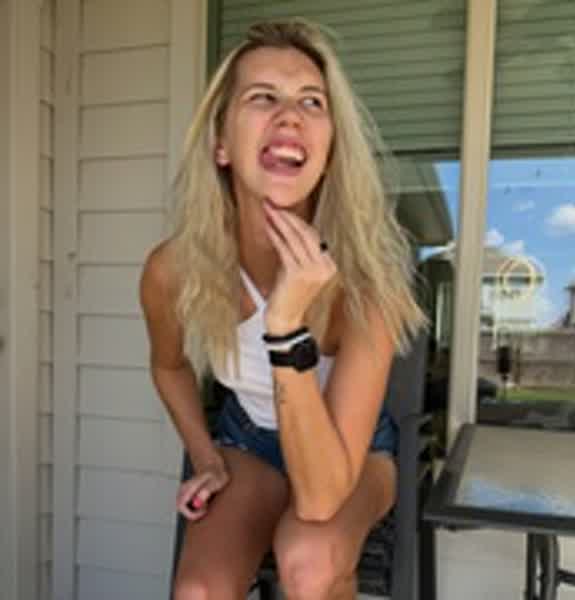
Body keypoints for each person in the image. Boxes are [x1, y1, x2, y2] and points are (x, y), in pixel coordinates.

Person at [140, 18, 425, 600]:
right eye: (262, 97)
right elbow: (168, 365)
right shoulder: (174, 267)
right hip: (249, 439)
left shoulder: (369, 281)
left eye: (311, 101)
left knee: (310, 562)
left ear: (330, 148)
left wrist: (286, 329)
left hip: (354, 451)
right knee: (198, 592)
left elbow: (321, 498)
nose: (290, 116)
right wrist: (205, 456)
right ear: (221, 143)